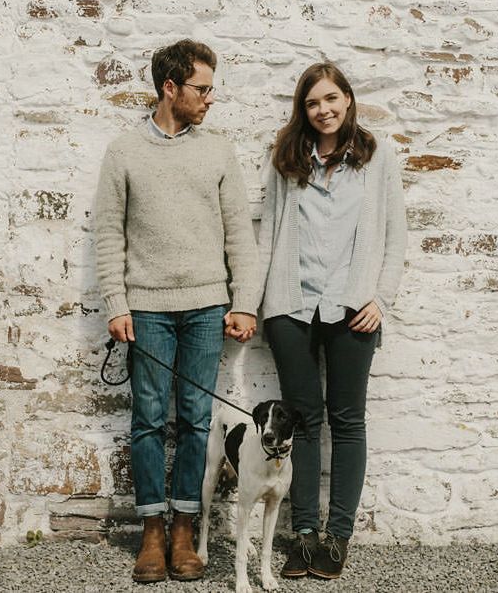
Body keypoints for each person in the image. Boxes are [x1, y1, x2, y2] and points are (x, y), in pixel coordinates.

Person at [94, 39, 259, 583]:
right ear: (170, 88)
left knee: (193, 418)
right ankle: (151, 531)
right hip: (147, 310)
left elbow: (240, 233)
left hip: (207, 307)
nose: (210, 98)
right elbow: (107, 234)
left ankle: (185, 526)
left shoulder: (218, 151)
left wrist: (244, 304)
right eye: (202, 88)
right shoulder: (123, 151)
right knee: (146, 420)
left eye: (210, 88)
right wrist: (116, 303)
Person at [257, 62, 407, 580]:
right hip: (290, 305)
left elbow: (395, 234)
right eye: (313, 103)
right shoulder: (287, 158)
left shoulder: (376, 156)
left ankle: (337, 537)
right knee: (301, 419)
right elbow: (267, 235)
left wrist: (380, 298)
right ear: (304, 109)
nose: (324, 110)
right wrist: (251, 302)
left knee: (347, 420)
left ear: (348, 98)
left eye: (331, 99)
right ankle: (302, 534)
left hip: (351, 307)